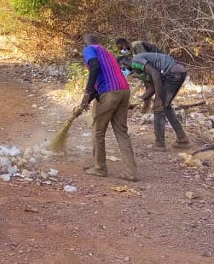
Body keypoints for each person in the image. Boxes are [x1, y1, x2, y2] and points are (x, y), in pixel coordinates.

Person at [79, 34, 137, 181]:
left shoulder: (89, 49)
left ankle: (100, 168)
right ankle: (131, 172)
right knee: (122, 132)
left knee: (98, 131)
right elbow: (101, 78)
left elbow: (94, 67)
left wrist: (86, 93)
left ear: (85, 44)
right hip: (124, 91)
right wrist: (86, 101)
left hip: (109, 92)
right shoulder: (107, 53)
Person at [130, 52, 190, 150]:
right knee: (165, 106)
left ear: (123, 64)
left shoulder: (135, 61)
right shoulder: (141, 70)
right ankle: (182, 139)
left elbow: (155, 74)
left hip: (172, 73)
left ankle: (160, 144)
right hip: (178, 72)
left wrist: (158, 98)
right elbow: (151, 88)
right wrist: (138, 101)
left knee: (159, 107)